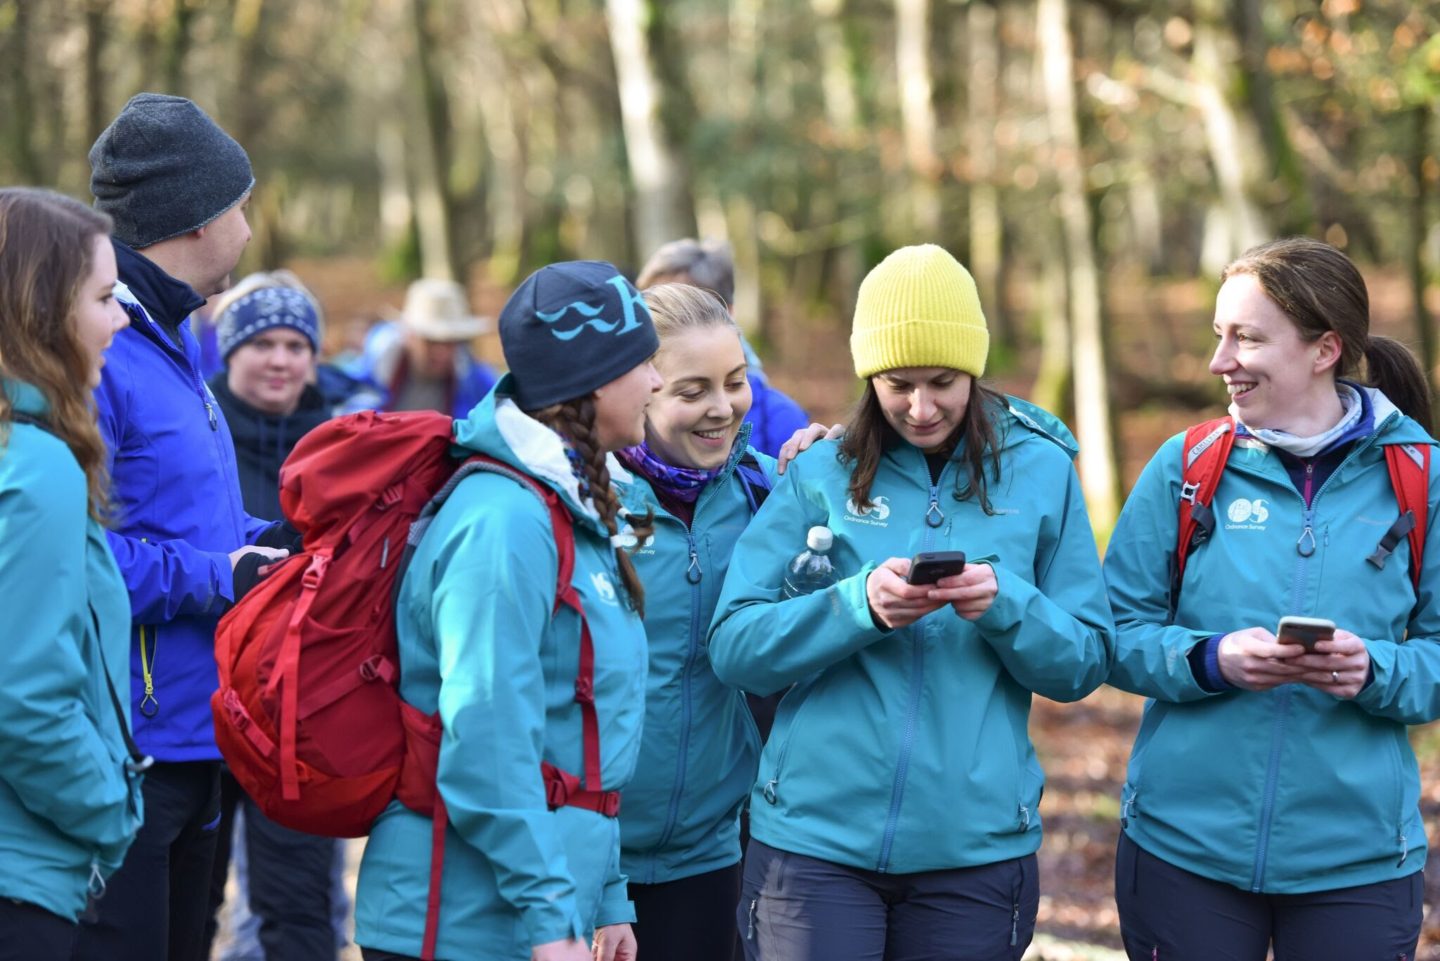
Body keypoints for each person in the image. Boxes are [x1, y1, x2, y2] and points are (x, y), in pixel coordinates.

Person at [707, 244, 1114, 961]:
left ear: (975, 369)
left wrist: (1004, 605)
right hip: (814, 844)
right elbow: (735, 644)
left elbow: (1083, 661)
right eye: (898, 383)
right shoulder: (819, 471)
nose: (921, 407)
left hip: (973, 851)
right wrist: (856, 606)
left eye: (943, 382)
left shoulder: (1043, 470)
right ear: (869, 374)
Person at [1103, 237, 1439, 961]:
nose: (1220, 360)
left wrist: (1374, 671)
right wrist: (1209, 658)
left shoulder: (1423, 479)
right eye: (1218, 335)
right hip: (1183, 850)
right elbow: (1112, 630)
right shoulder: (1188, 466)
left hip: (1359, 862)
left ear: (1325, 349)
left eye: (1246, 337)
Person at [353, 261, 661, 961]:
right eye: (643, 362)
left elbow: (582, 729)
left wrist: (607, 896)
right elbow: (488, 741)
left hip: (527, 912)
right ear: (593, 380)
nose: (658, 382)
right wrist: (550, 921)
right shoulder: (505, 524)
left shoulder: (569, 506)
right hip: (461, 924)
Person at [76, 92, 290, 961]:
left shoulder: (171, 336)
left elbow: (181, 516)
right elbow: (75, 553)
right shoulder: (102, 353)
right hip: (133, 745)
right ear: (196, 219)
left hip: (202, 729)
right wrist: (219, 574)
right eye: (240, 204)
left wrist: (273, 536)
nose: (248, 224)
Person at [612, 283, 774, 961]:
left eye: (736, 381)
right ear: (637, 388)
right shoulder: (578, 499)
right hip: (585, 851)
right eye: (692, 389)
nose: (722, 407)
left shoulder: (768, 495)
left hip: (709, 853)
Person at [0, 189, 141, 961]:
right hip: (22, 878)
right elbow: (22, 697)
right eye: (101, 296)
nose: (120, 318)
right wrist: (112, 805)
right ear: (40, 311)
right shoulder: (38, 467)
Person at [201, 271, 343, 961]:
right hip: (198, 695)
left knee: (299, 905)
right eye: (263, 342)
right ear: (229, 349)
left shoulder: (340, 442)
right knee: (189, 902)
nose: (281, 359)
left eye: (296, 343)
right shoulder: (198, 430)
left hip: (300, 712)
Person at [637, 238, 809, 458]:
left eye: (735, 383)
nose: (724, 409)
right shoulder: (615, 454)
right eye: (650, 306)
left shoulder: (777, 420)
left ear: (726, 312)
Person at [343, 277, 497, 418]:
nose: (440, 352)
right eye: (431, 341)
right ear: (409, 336)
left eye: (450, 342)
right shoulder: (364, 378)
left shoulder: (476, 384)